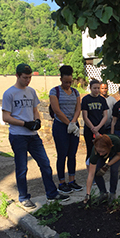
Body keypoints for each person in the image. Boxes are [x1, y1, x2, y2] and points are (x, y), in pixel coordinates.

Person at [4, 63, 68, 209]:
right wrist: (24, 123)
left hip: (33, 135)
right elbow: (6, 117)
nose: (28, 80)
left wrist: (37, 120)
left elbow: (35, 110)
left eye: (30, 77)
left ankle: (51, 193)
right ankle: (23, 197)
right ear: (17, 76)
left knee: (45, 164)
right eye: (25, 77)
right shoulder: (9, 93)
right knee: (22, 168)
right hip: (18, 135)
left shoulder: (31, 92)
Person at [50, 66, 83, 194]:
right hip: (60, 126)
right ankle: (62, 182)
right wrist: (68, 123)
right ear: (61, 79)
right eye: (66, 82)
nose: (68, 84)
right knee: (62, 154)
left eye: (70, 82)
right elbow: (56, 110)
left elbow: (78, 108)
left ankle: (72, 180)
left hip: (73, 126)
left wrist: (73, 123)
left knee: (72, 154)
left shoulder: (75, 92)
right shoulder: (54, 92)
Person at [84, 134, 120, 203]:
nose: (100, 154)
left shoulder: (116, 142)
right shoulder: (95, 152)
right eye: (99, 151)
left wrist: (107, 165)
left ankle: (112, 193)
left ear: (109, 147)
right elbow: (91, 174)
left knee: (114, 170)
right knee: (96, 171)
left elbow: (119, 155)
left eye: (102, 151)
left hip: (117, 152)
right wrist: (87, 194)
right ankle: (103, 193)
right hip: (106, 151)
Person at [81, 79, 110, 173]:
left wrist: (98, 128)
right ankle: (90, 173)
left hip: (101, 128)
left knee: (101, 150)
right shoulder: (86, 99)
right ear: (90, 88)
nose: (97, 90)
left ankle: (98, 170)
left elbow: (105, 115)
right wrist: (93, 129)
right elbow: (85, 116)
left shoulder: (102, 100)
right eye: (95, 88)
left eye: (98, 88)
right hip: (89, 129)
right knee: (90, 150)